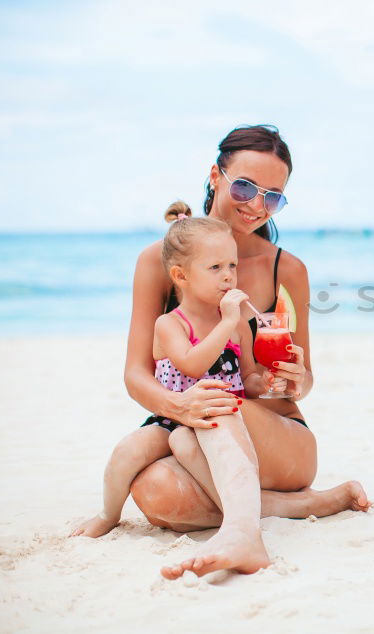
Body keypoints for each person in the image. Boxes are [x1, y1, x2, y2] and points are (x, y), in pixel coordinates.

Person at [124, 126, 369, 578]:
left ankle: (244, 535)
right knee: (155, 494)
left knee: (218, 398)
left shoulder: (286, 268)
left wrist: (297, 377)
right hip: (189, 422)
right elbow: (136, 375)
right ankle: (304, 506)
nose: (256, 205)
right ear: (215, 176)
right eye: (245, 187)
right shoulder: (158, 262)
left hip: (279, 437)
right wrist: (179, 405)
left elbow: (304, 378)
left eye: (273, 197)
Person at [72, 205, 283, 545]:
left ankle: (235, 515)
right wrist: (228, 322)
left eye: (232, 265)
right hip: (173, 417)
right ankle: (108, 514)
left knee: (198, 454)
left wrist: (266, 382)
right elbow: (192, 364)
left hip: (222, 423)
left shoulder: (238, 324)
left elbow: (250, 378)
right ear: (181, 276)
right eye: (215, 267)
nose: (228, 276)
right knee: (129, 450)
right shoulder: (170, 324)